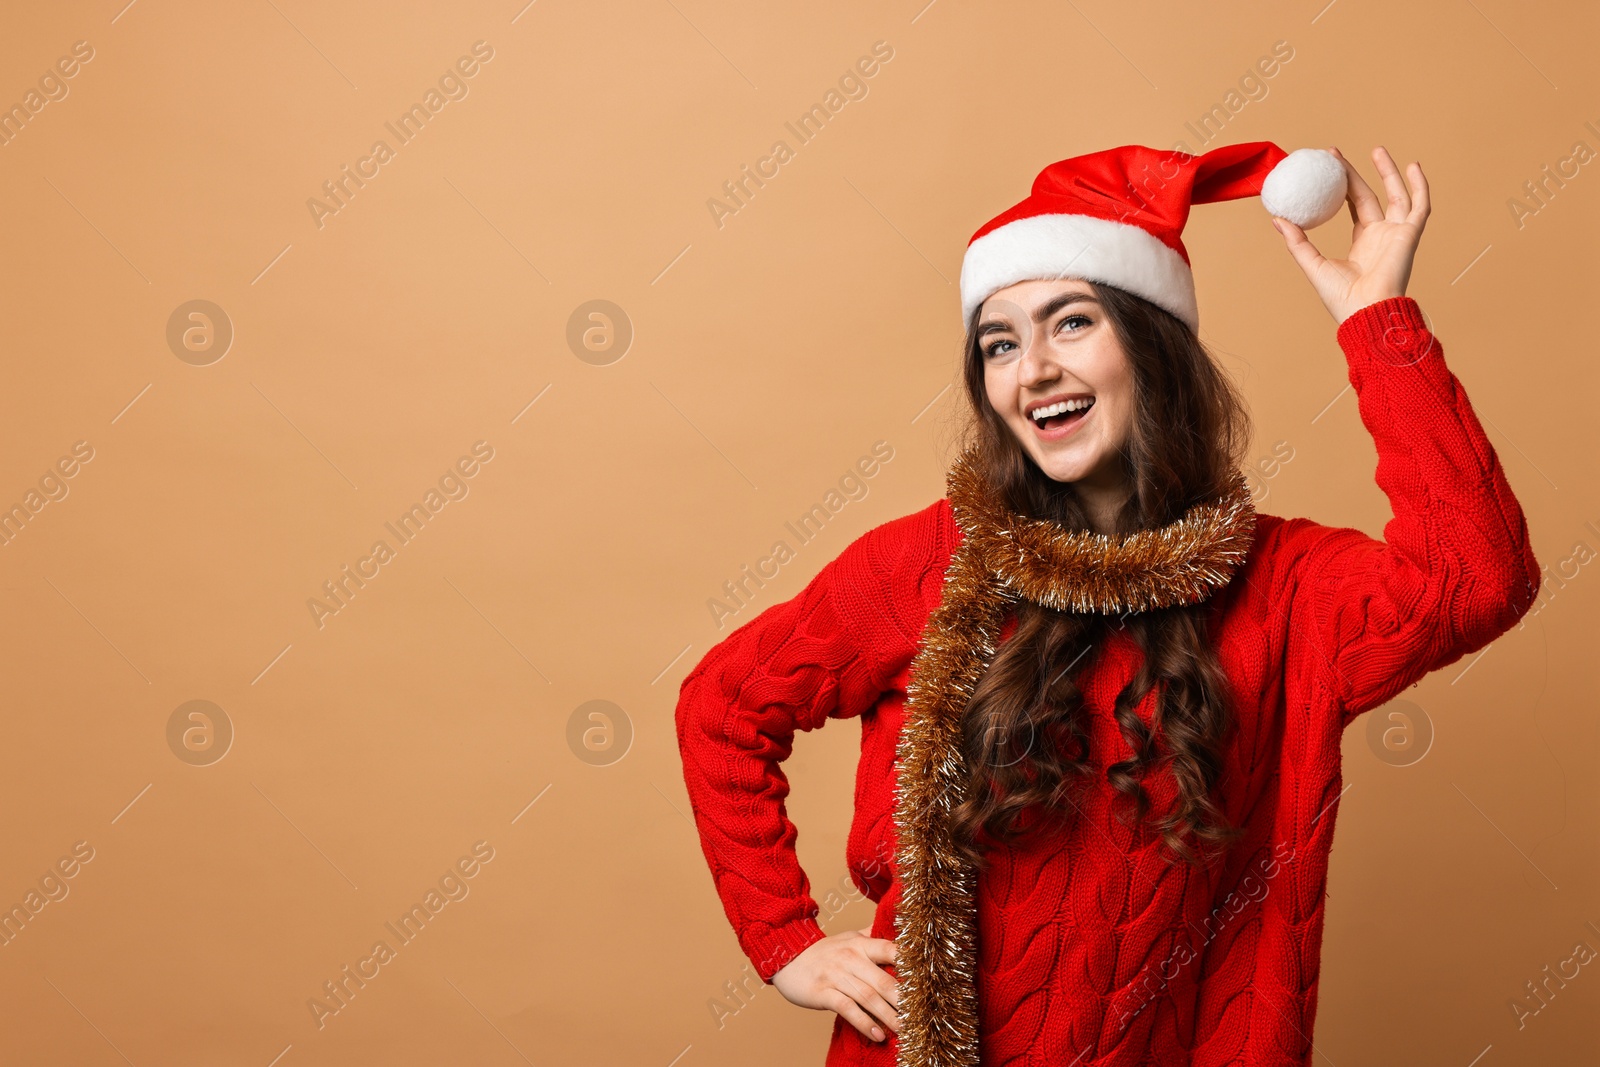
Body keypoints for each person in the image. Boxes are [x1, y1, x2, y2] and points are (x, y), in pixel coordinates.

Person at [673, 140, 1540, 1066]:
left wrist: (1375, 320)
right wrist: (787, 944)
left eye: (1072, 323)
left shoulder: (1281, 584)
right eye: (999, 343)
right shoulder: (928, 564)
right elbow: (722, 707)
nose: (1032, 368)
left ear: (1153, 344)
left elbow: (1475, 578)